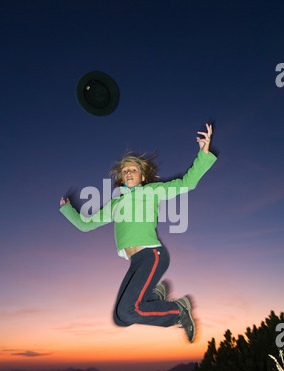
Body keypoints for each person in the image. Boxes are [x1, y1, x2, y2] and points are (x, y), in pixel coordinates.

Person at [59, 124, 217, 343]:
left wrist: (203, 154)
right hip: (136, 262)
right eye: (125, 171)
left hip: (152, 255)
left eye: (133, 169)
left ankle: (178, 311)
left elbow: (187, 183)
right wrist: (68, 210)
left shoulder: (152, 191)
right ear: (121, 178)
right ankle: (154, 297)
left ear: (142, 177)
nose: (128, 173)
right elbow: (86, 225)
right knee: (120, 318)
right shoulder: (116, 203)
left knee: (127, 311)